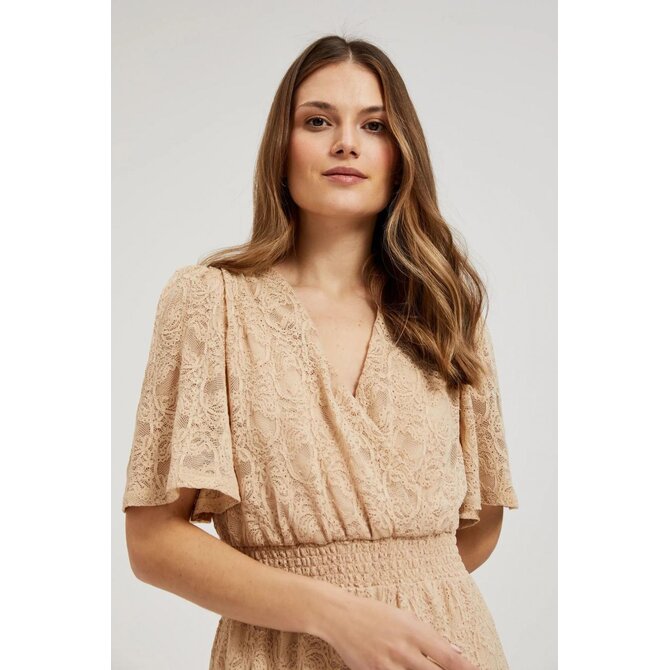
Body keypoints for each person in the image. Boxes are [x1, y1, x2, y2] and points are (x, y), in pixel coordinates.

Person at [121, 34, 519, 670]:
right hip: (281, 652)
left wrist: (401, 600)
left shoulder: (446, 309)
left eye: (374, 125)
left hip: (442, 649)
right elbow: (153, 541)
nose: (346, 143)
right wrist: (336, 613)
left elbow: (481, 522)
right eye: (317, 121)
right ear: (281, 149)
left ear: (401, 155)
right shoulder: (210, 303)